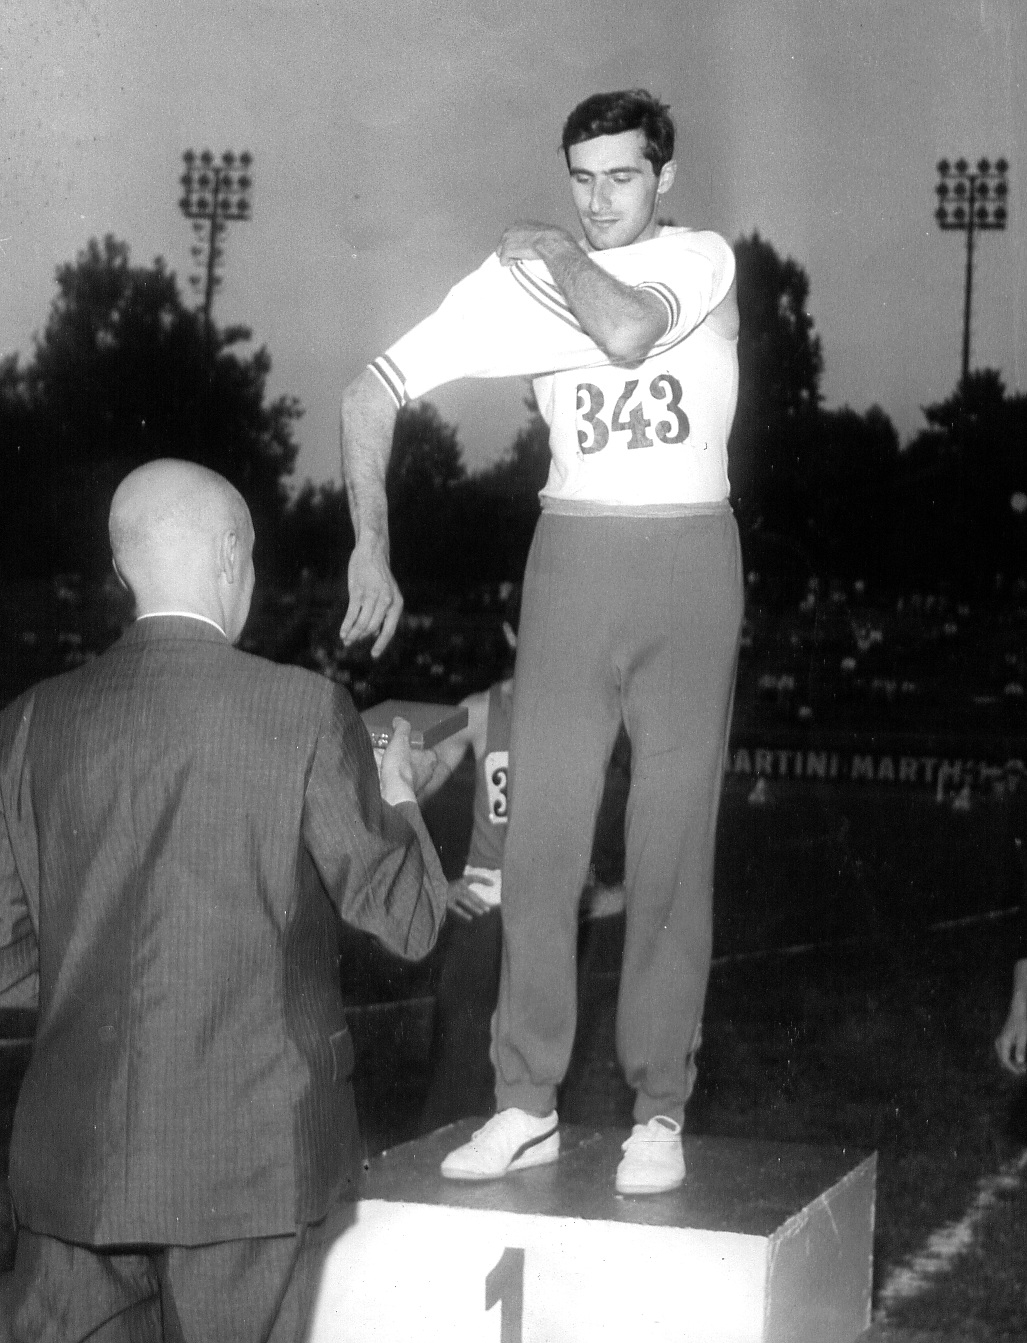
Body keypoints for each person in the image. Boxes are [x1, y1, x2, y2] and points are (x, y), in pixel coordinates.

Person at [339, 88, 741, 1195]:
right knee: (541, 845)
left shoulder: (699, 259)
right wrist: (371, 544)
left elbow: (619, 330)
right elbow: (368, 392)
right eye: (582, 176)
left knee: (668, 841)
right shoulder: (515, 279)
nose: (601, 198)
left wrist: (552, 250)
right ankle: (524, 1101)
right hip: (572, 554)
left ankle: (659, 1106)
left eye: (622, 175)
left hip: (690, 563)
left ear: (664, 178)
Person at [0, 460, 448, 1342]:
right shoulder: (304, 710)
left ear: (125, 571)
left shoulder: (30, 721)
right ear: (233, 554)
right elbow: (409, 917)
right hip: (248, 1168)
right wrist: (400, 797)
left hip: (71, 1164)